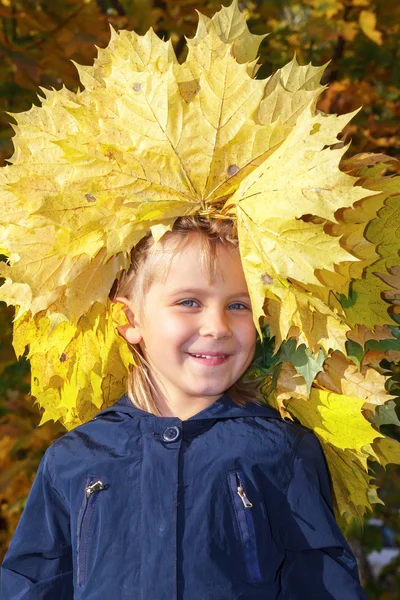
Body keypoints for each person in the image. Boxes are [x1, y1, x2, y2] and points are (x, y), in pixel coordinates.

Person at [1, 216, 368, 599]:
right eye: (189, 302)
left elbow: (322, 585)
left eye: (239, 305)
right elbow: (31, 585)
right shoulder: (74, 458)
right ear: (129, 318)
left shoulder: (281, 451)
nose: (218, 325)